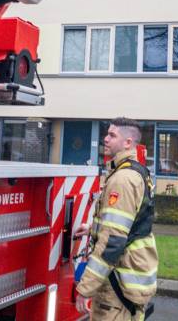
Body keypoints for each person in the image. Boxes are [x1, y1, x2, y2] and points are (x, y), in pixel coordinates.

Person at [75, 118, 158, 320]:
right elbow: (129, 224)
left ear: (128, 142)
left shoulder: (122, 179)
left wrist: (84, 288)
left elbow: (113, 241)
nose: (106, 138)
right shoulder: (133, 171)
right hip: (128, 282)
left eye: (112, 135)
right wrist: (93, 228)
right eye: (107, 133)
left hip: (117, 286)